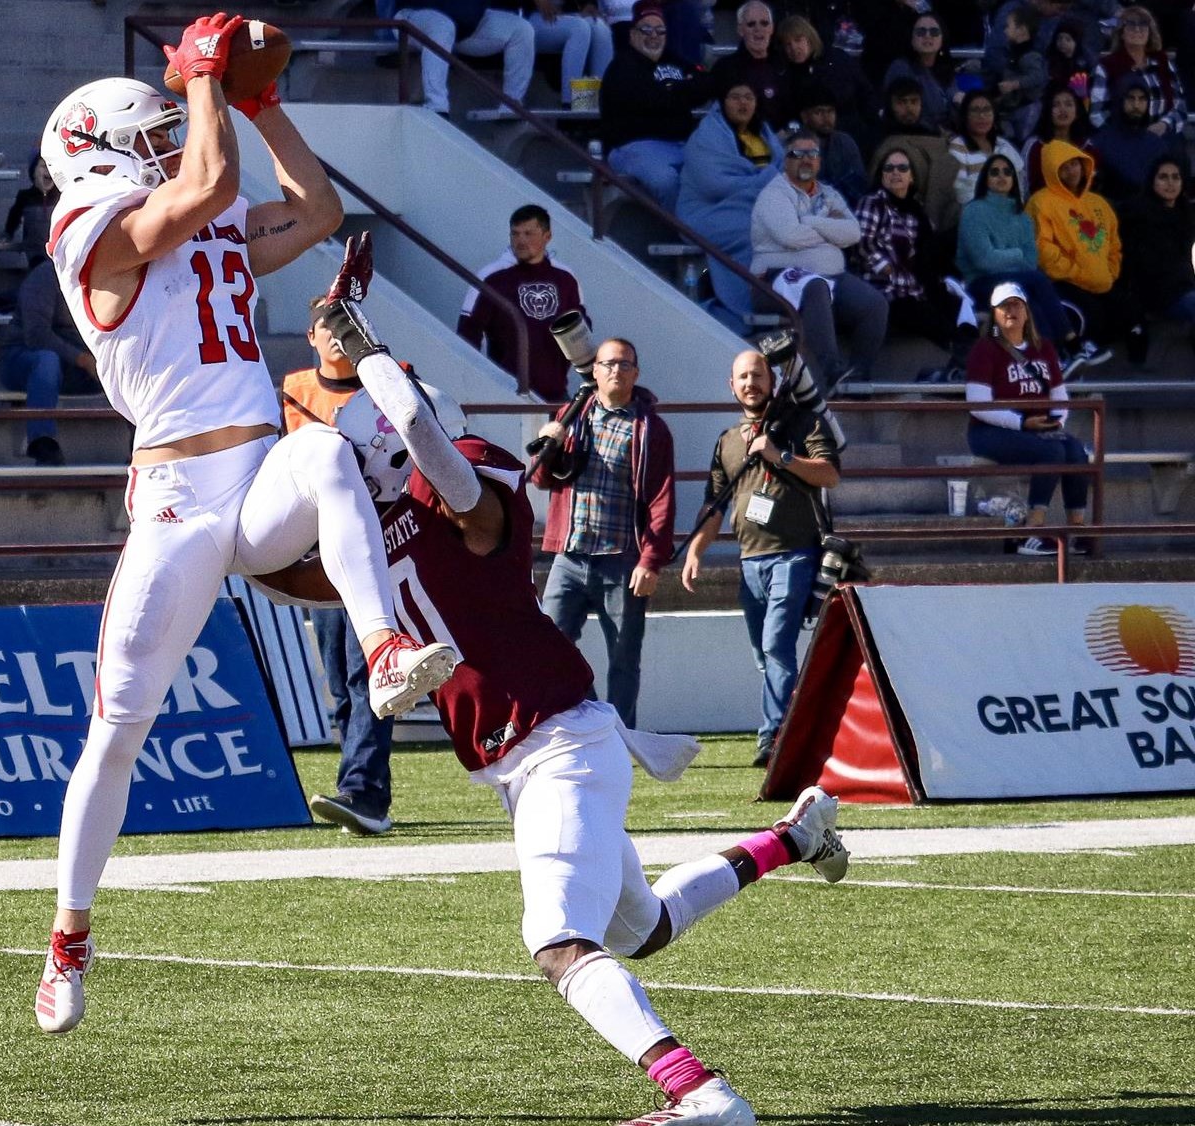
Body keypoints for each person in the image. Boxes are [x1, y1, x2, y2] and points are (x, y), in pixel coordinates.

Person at [255, 303, 850, 1126]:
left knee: (558, 942)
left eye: (377, 431)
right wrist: (221, 542)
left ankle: (702, 1095)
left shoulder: (469, 473)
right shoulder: (375, 522)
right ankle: (795, 838)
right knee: (641, 932)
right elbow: (303, 574)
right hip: (538, 751)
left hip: (554, 748)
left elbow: (443, 467)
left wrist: (379, 364)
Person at [31, 36, 457, 1035]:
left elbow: (319, 212)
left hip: (258, 469)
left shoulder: (196, 202)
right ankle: (68, 937)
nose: (173, 135)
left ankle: (383, 647)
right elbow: (206, 181)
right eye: (154, 128)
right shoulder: (87, 226)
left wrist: (259, 103)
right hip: (178, 494)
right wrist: (210, 81)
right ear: (98, 147)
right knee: (116, 730)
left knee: (323, 455)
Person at [681, 349, 843, 769]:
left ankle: (772, 737)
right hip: (749, 559)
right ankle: (793, 724)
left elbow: (830, 473)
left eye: (758, 375)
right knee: (765, 654)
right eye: (742, 377)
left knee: (776, 645)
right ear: (731, 386)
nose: (750, 383)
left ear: (772, 381)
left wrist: (781, 456)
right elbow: (714, 504)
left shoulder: (802, 422)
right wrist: (697, 549)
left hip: (795, 555)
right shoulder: (728, 440)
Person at [280, 296, 397, 837]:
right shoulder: (293, 390)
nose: (333, 335)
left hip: (376, 545)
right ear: (310, 338)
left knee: (364, 669)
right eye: (324, 327)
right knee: (339, 675)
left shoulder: (390, 381)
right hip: (316, 550)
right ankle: (360, 781)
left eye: (342, 327)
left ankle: (363, 788)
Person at [529, 337, 675, 730]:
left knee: (624, 657)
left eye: (624, 365)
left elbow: (661, 499)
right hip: (570, 556)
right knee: (550, 647)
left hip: (621, 558)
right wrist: (550, 442)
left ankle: (621, 735)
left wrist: (651, 560)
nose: (615, 370)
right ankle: (589, 719)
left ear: (636, 373)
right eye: (608, 364)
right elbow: (541, 479)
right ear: (594, 371)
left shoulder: (650, 428)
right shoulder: (572, 414)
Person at [750, 130, 887, 390]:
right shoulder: (775, 194)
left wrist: (810, 222)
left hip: (830, 275)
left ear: (819, 160)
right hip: (774, 278)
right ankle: (831, 369)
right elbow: (790, 235)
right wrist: (829, 232)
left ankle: (858, 377)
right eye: (797, 154)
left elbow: (853, 232)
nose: (806, 160)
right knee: (814, 286)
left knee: (874, 304)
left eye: (812, 154)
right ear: (785, 160)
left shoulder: (829, 194)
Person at [965, 282, 1092, 556]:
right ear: (995, 314)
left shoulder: (1043, 348)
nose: (1011, 310)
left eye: (1016, 305)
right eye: (1004, 306)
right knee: (1052, 451)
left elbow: (1060, 396)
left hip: (1037, 428)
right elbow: (978, 405)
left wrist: (1057, 422)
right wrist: (1022, 423)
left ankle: (1078, 530)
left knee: (1076, 451)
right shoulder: (984, 350)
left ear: (1026, 312)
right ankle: (1032, 531)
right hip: (991, 432)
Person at [856, 148, 978, 376]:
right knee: (935, 322)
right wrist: (887, 267)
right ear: (881, 175)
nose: (896, 173)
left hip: (917, 290)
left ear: (912, 176)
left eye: (903, 168)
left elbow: (931, 254)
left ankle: (964, 370)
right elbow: (863, 243)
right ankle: (957, 369)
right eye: (889, 168)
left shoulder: (918, 213)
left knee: (961, 314)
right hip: (886, 291)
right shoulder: (873, 203)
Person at [456, 204, 588, 402]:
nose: (521, 241)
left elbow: (581, 331)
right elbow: (468, 333)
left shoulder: (565, 278)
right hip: (507, 395)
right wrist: (476, 383)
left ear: (547, 236)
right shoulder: (492, 277)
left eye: (529, 233)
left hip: (557, 395)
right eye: (515, 234)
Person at [675, 81, 780, 323]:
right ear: (723, 102)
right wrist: (765, 179)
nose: (743, 103)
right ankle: (748, 304)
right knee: (755, 230)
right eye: (735, 97)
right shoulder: (706, 136)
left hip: (751, 207)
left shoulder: (764, 133)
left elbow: (782, 169)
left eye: (748, 97)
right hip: (705, 213)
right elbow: (715, 184)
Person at [957, 152, 1077, 355]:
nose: (1001, 176)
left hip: (1020, 282)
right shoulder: (973, 211)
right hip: (982, 282)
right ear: (985, 179)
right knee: (1038, 280)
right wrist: (1017, 254)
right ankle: (1072, 343)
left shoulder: (1022, 217)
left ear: (1014, 178)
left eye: (1007, 171)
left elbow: (1030, 261)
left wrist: (1004, 257)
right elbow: (984, 261)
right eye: (994, 172)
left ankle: (1050, 360)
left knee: (1035, 305)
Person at [599, 1, 709, 212]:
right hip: (633, 146)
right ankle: (685, 235)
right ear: (632, 34)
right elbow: (652, 100)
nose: (653, 36)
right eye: (646, 30)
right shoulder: (622, 67)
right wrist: (684, 89)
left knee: (711, 176)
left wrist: (673, 90)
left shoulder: (674, 59)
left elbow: (706, 84)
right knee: (667, 181)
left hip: (680, 144)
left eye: (660, 30)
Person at [1028, 141, 1122, 365]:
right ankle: (1073, 353)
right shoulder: (1040, 202)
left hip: (1101, 281)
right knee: (1090, 313)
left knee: (1126, 312)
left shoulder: (1099, 203)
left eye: (1075, 164)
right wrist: (1078, 272)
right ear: (1053, 171)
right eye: (1064, 166)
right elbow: (1042, 248)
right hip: (1062, 281)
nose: (1071, 171)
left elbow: (1114, 244)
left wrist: (1109, 273)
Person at [0, 258, 98, 467]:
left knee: (131, 362)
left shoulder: (104, 275)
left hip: (75, 366)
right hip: (23, 357)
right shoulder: (45, 276)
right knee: (47, 360)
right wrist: (83, 360)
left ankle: (140, 445)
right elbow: (37, 336)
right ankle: (42, 443)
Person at [391, 0, 534, 117]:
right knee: (442, 26)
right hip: (414, 15)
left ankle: (511, 105)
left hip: (466, 25)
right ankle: (436, 106)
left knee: (521, 29)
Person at [1114, 154, 1195, 361]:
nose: (1170, 183)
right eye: (1163, 177)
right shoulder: (1138, 214)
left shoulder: (1187, 213)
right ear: (1152, 181)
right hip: (1161, 293)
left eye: (1176, 177)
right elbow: (1145, 266)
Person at [874, 76, 962, 234]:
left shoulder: (938, 133)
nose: (909, 108)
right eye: (902, 102)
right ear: (890, 105)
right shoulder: (882, 141)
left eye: (914, 102)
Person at [777, 16, 873, 152]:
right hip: (810, 144)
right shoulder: (788, 75)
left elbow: (865, 93)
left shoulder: (838, 59)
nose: (794, 48)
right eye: (788, 44)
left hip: (851, 135)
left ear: (809, 38)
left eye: (798, 40)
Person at [1088, 5, 1184, 132]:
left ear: (1150, 32)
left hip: (1162, 139)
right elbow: (1097, 114)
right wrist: (1126, 136)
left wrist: (1163, 125)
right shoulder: (1107, 66)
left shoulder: (1163, 62)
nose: (1137, 29)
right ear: (1121, 32)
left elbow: (1180, 107)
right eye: (1131, 24)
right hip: (1122, 141)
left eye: (1143, 25)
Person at [1090, 72, 1173, 201]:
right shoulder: (1100, 143)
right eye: (1131, 98)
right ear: (1120, 100)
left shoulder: (1158, 146)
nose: (1136, 105)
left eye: (1142, 99)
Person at [521, 0, 614, 109]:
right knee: (579, 28)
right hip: (529, 18)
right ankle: (570, 105)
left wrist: (589, 4)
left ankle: (596, 105)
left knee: (600, 28)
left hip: (566, 16)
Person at [710, 1, 788, 128]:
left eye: (764, 23)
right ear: (740, 30)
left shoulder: (784, 66)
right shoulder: (724, 68)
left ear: (772, 28)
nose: (758, 29)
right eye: (751, 24)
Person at [883, 12, 965, 133]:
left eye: (934, 32)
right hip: (914, 137)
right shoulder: (901, 68)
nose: (927, 36)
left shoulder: (945, 69)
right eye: (921, 32)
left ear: (942, 39)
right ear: (911, 39)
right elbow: (907, 116)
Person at [948, 90, 1028, 207]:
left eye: (987, 110)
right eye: (975, 111)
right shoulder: (958, 147)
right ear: (965, 116)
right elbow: (962, 194)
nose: (982, 116)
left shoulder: (1003, 145)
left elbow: (1020, 184)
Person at [796, 80, 867, 204]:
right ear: (805, 116)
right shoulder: (794, 146)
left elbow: (859, 186)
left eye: (830, 111)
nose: (826, 118)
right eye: (818, 112)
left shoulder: (845, 143)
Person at [987, 4, 1049, 142]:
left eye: (1008, 26)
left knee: (1023, 141)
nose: (1005, 30)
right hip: (1014, 108)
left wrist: (1015, 84)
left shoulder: (1029, 56)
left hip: (1027, 109)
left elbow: (1038, 77)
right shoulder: (1014, 52)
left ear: (1021, 31)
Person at [1024, 84, 1097, 194]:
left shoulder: (1088, 147)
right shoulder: (1035, 146)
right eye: (1056, 105)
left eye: (1068, 104)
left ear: (1077, 112)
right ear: (1048, 111)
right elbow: (1025, 186)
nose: (1062, 110)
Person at [6, 155, 59, 269]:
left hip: (58, 254)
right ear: (34, 173)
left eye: (51, 167)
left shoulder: (62, 197)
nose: (48, 170)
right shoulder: (25, 197)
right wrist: (7, 234)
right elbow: (14, 217)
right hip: (35, 254)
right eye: (44, 166)